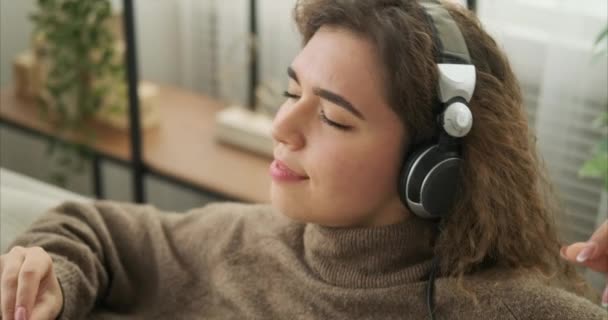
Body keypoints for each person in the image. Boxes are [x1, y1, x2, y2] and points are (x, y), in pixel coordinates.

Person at [0, 0, 606, 319]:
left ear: (432, 167)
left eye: (333, 117)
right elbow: (95, 230)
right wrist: (52, 273)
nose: (281, 127)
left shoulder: (513, 308)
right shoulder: (243, 240)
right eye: (293, 92)